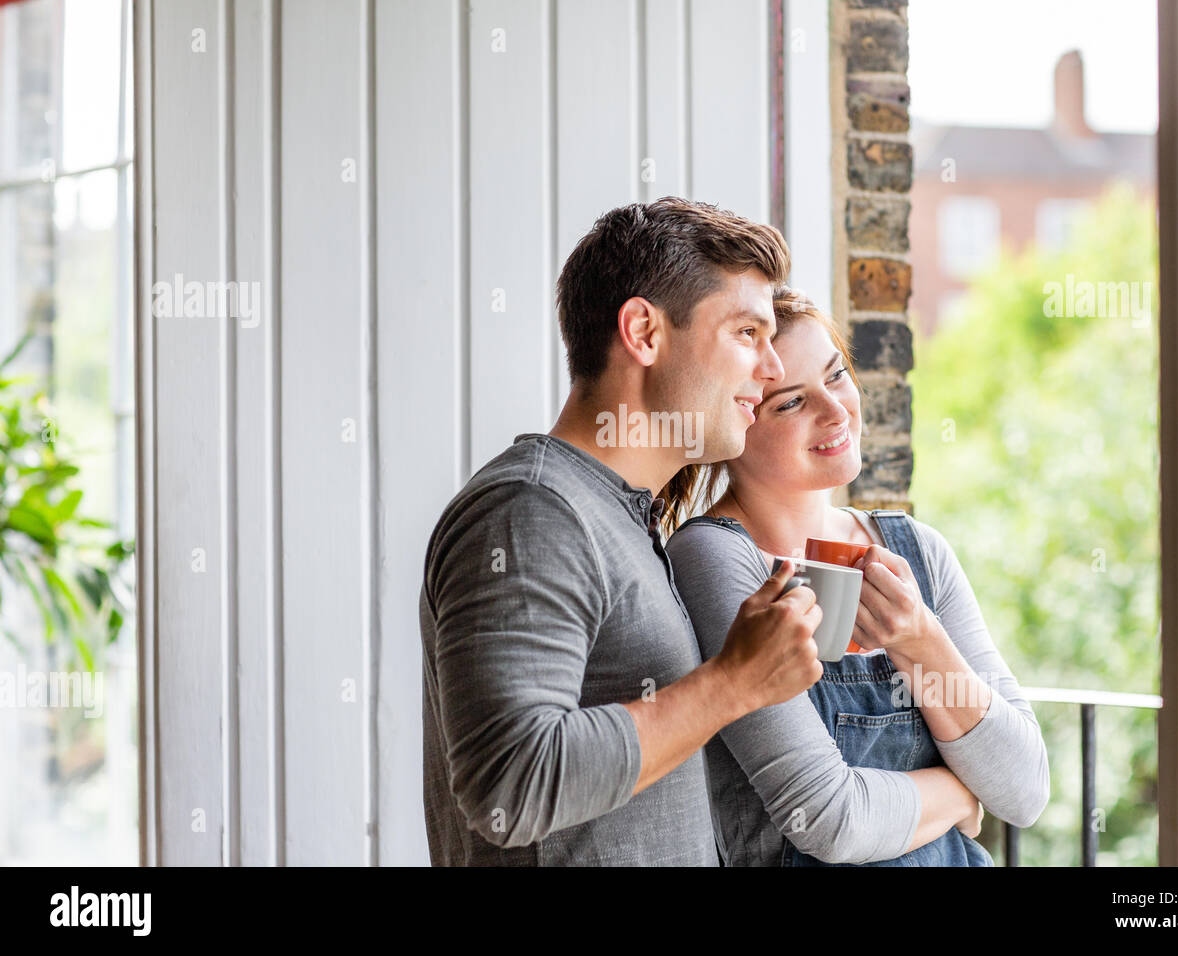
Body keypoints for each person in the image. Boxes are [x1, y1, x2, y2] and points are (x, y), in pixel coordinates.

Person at [420, 198, 829, 865]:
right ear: (643, 332)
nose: (773, 367)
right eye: (746, 334)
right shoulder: (531, 510)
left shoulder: (620, 515)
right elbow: (509, 786)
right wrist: (733, 682)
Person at [661, 286, 1051, 866]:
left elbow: (1025, 789)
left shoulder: (916, 548)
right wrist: (964, 793)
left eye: (837, 374)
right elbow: (831, 822)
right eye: (790, 403)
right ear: (734, 422)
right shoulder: (716, 558)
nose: (836, 410)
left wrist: (919, 637)